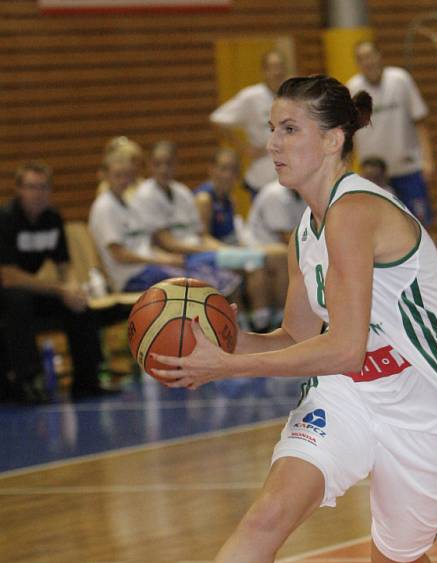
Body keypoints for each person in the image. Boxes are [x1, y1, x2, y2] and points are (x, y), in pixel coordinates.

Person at [110, 75, 437, 563]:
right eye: (271, 129)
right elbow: (295, 337)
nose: (272, 142)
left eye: (288, 129)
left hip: (425, 408)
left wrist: (232, 366)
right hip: (349, 394)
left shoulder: (356, 210)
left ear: (333, 139)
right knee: (269, 512)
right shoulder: (303, 231)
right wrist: (209, 344)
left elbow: (340, 346)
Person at [0, 162, 109, 403]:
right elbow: (8, 276)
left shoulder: (52, 218)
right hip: (7, 292)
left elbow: (63, 265)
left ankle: (87, 380)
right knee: (18, 303)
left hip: (29, 290)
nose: (38, 193)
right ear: (19, 190)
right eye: (31, 187)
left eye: (43, 187)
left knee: (79, 305)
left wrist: (72, 289)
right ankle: (29, 381)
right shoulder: (6, 219)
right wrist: (60, 289)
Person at [132, 140, 270, 330]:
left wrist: (221, 248)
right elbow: (166, 242)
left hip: (199, 251)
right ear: (149, 165)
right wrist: (210, 249)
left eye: (168, 163)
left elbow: (200, 234)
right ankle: (247, 327)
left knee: (252, 261)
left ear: (176, 165)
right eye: (158, 163)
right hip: (182, 256)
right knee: (247, 264)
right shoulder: (146, 195)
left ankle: (252, 324)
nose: (164, 169)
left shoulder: (181, 192)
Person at [88, 150, 240, 298]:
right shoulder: (105, 207)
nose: (123, 181)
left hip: (150, 267)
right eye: (118, 176)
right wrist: (161, 260)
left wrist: (168, 258)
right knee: (195, 286)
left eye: (127, 175)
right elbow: (120, 254)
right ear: (104, 176)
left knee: (213, 277)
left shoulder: (129, 206)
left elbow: (145, 246)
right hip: (131, 276)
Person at [346, 41, 434, 227]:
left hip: (408, 169)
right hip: (374, 176)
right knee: (380, 229)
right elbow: (349, 134)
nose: (368, 62)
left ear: (380, 56)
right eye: (362, 59)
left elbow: (420, 121)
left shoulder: (401, 79)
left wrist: (427, 160)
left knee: (421, 225)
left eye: (370, 56)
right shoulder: (353, 88)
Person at [195, 147, 273, 331]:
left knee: (265, 262)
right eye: (223, 168)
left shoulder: (230, 199)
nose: (227, 175)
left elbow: (236, 235)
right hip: (206, 255)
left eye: (232, 170)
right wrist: (234, 251)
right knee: (255, 262)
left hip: (225, 250)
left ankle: (264, 319)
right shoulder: (204, 198)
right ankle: (255, 325)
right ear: (211, 169)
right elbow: (202, 238)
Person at [209, 49, 288, 196]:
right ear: (264, 71)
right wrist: (243, 149)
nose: (278, 72)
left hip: (288, 174)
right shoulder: (251, 97)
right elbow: (218, 120)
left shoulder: (291, 96)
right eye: (273, 67)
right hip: (262, 174)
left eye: (281, 66)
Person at [242, 178, 307, 322]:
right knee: (286, 256)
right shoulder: (275, 194)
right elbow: (288, 238)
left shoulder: (304, 193)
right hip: (255, 246)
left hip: (276, 246)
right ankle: (282, 316)